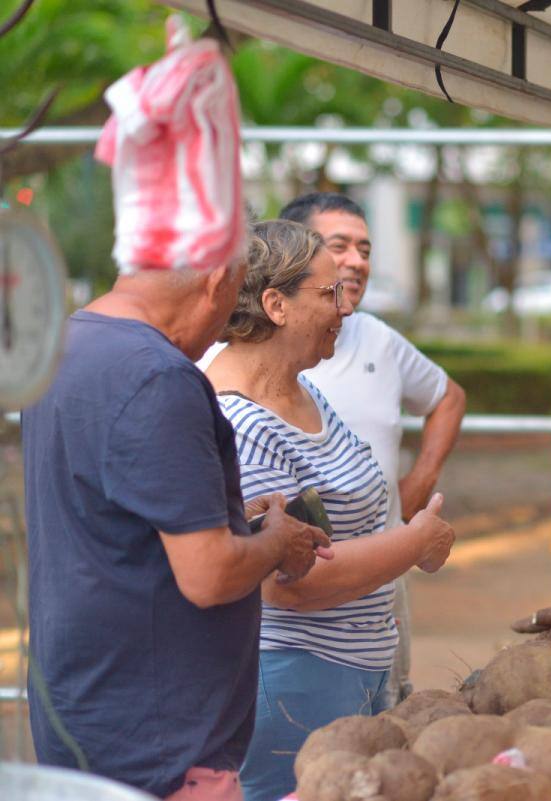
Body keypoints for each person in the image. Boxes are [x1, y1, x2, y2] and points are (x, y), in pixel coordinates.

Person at [22, 257, 333, 801]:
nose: (223, 332)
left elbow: (115, 519)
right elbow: (209, 576)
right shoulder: (160, 375)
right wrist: (277, 541)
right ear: (217, 282)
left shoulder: (66, 343)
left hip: (82, 710)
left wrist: (232, 519)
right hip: (161, 744)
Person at [203, 220, 456, 801]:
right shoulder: (240, 423)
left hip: (349, 673)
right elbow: (293, 582)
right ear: (276, 305)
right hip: (289, 680)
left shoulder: (301, 388)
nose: (343, 308)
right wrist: (413, 544)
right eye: (327, 293)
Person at [279, 192, 466, 704]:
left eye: (365, 249)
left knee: (386, 717)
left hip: (383, 585)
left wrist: (419, 482)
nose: (357, 261)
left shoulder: (378, 340)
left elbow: (448, 396)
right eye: (339, 246)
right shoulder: (247, 361)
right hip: (294, 604)